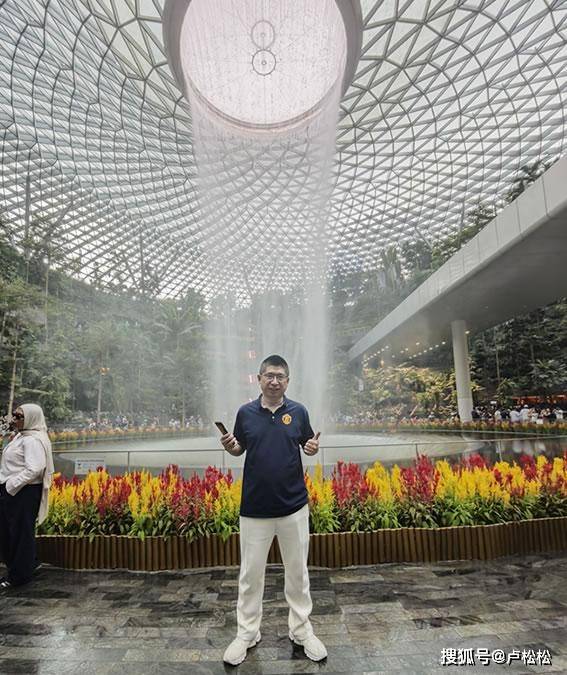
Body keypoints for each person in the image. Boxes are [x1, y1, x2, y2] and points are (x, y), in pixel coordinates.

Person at [219, 354, 327, 666]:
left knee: (298, 573)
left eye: (280, 376)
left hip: (294, 507)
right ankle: (247, 633)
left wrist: (313, 448)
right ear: (259, 379)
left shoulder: (298, 412)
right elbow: (239, 449)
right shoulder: (245, 413)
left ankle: (301, 630)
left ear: (287, 381)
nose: (275, 381)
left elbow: (308, 444)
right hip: (255, 508)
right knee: (250, 576)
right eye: (269, 375)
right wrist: (230, 446)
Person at [0, 403, 54, 589]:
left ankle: (19, 576)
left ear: (31, 418)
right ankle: (25, 565)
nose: (14, 419)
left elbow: (35, 469)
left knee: (19, 534)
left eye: (19, 416)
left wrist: (11, 485)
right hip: (15, 490)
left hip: (23, 491)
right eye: (14, 415)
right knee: (9, 531)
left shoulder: (32, 440)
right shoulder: (22, 436)